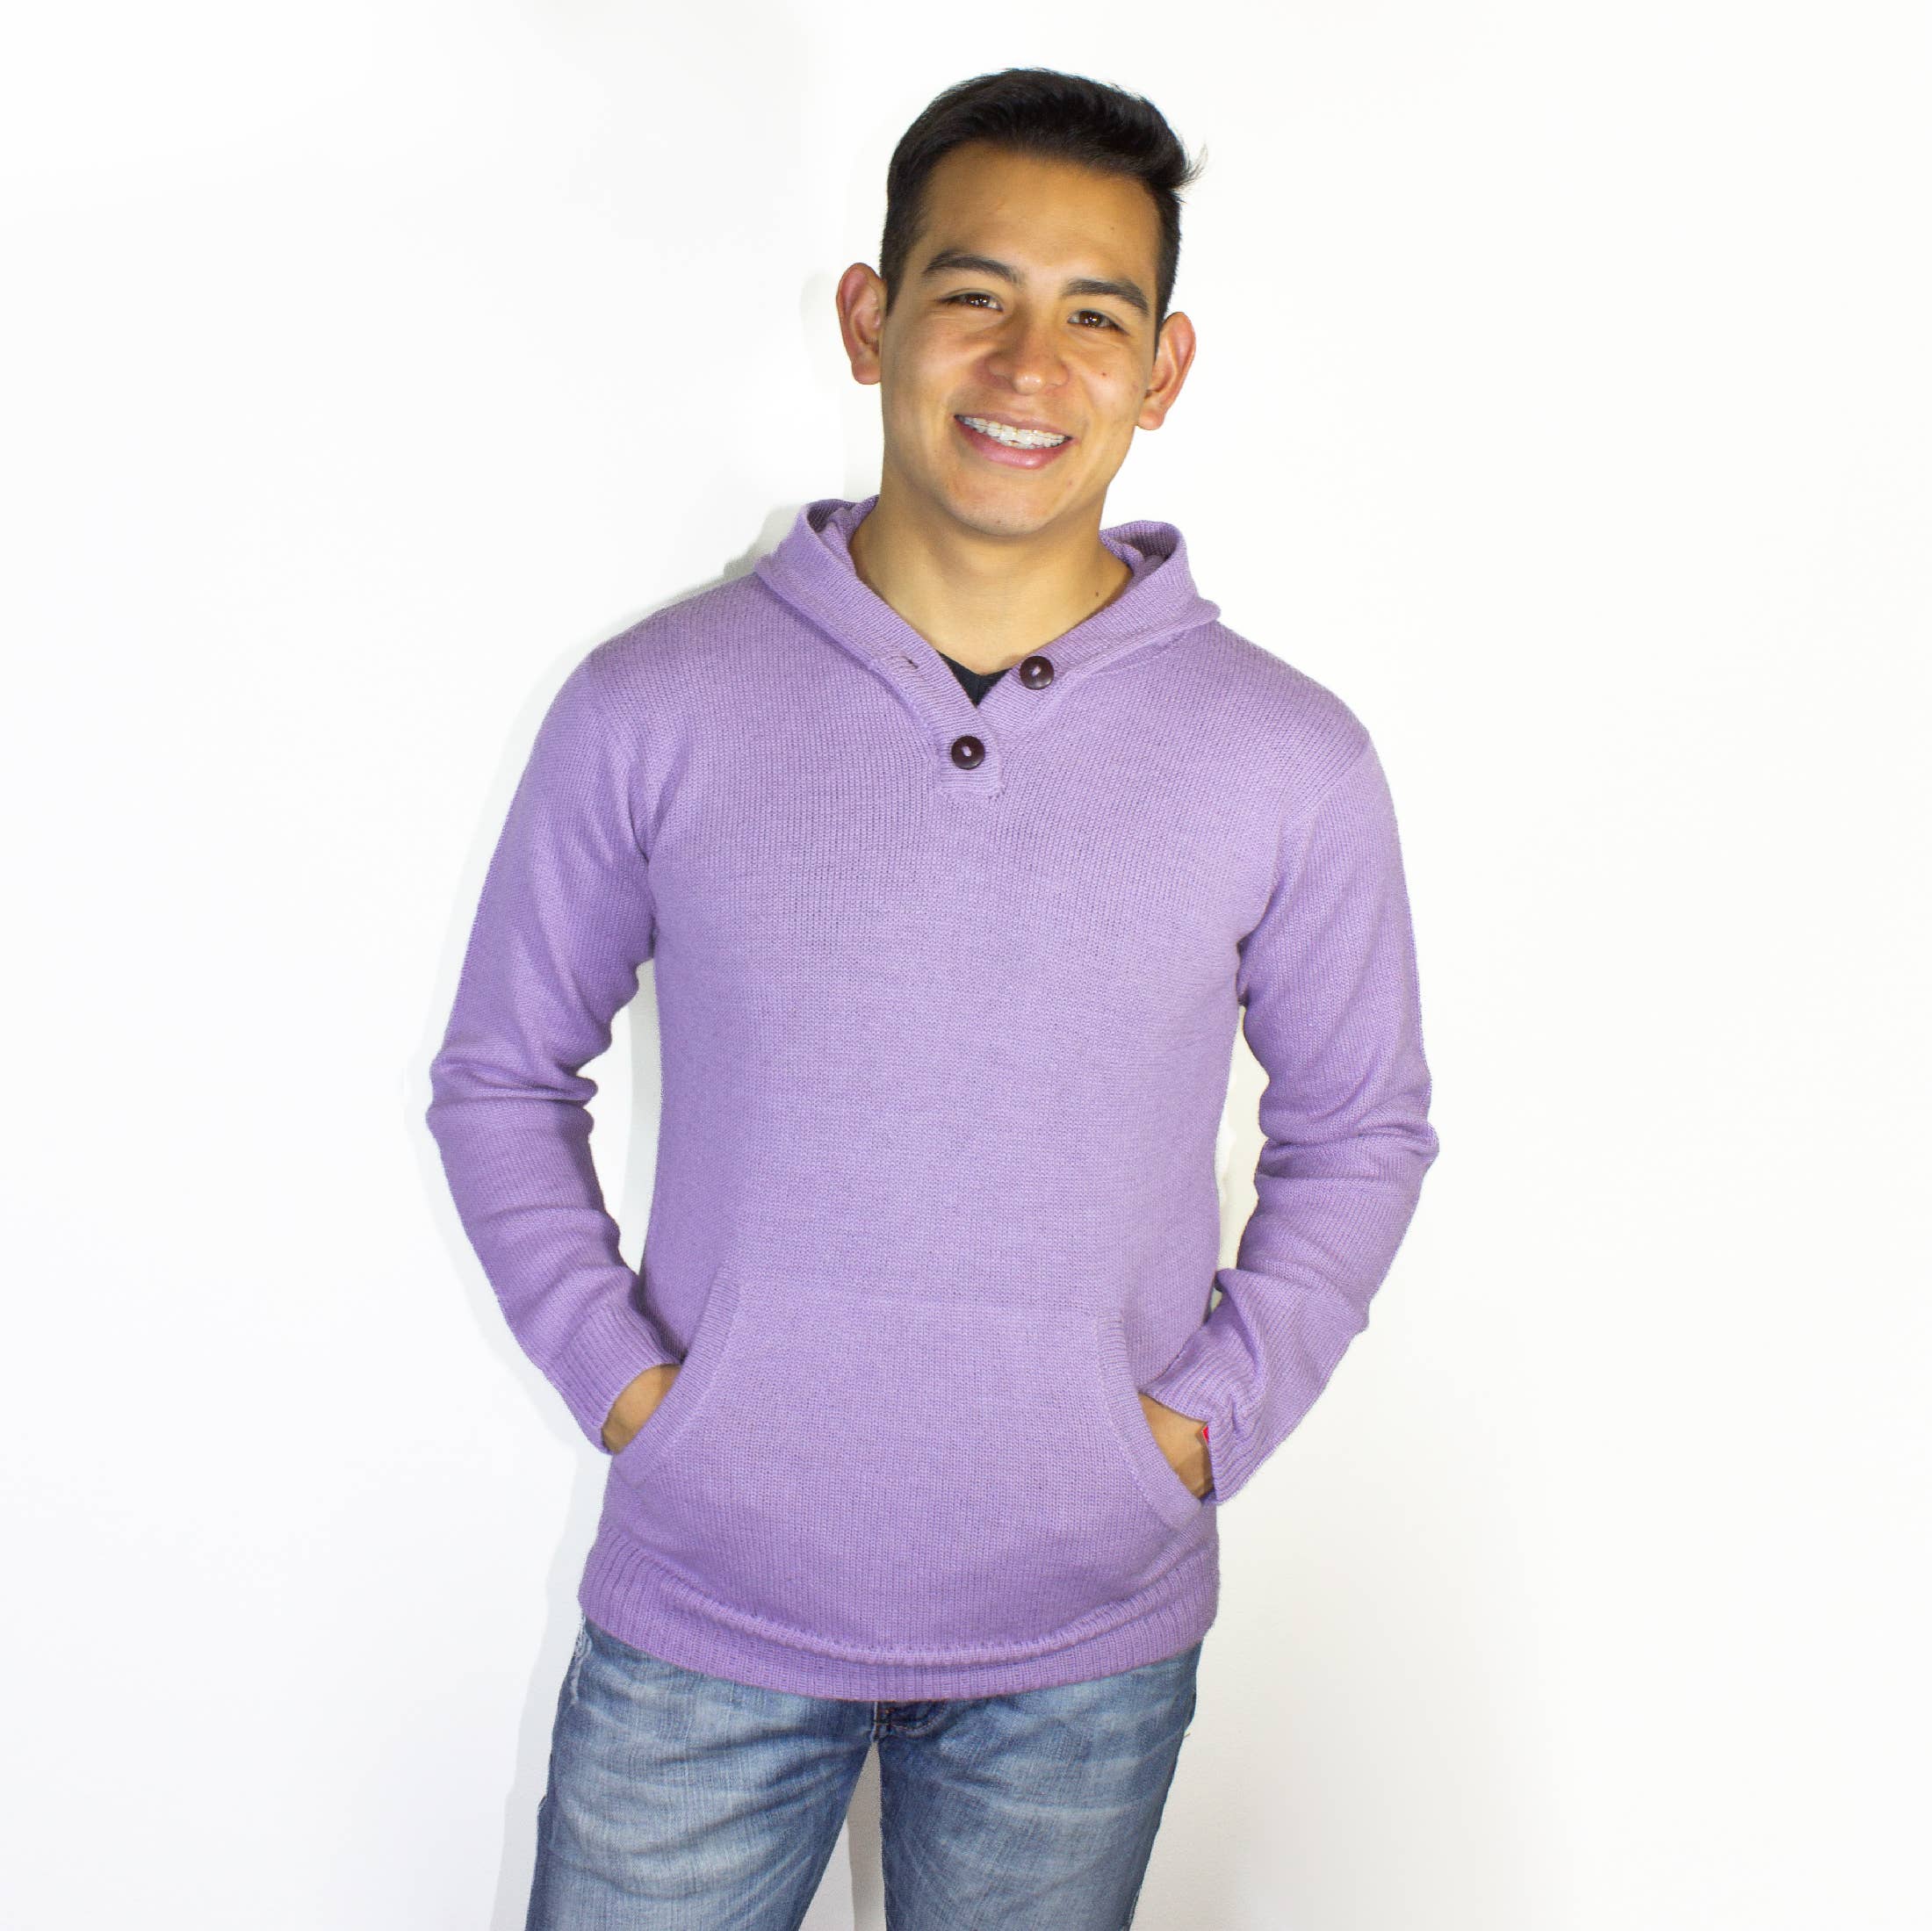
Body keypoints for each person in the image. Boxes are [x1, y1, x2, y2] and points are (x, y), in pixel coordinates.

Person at [424, 65, 1441, 1931]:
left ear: (1164, 368)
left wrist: (1198, 1428)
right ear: (868, 317)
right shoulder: (655, 703)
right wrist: (638, 1396)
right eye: (973, 294)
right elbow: (502, 1075)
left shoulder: (1285, 759)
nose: (1027, 364)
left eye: (1094, 317)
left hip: (1083, 1637)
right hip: (708, 1608)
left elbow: (1360, 1129)